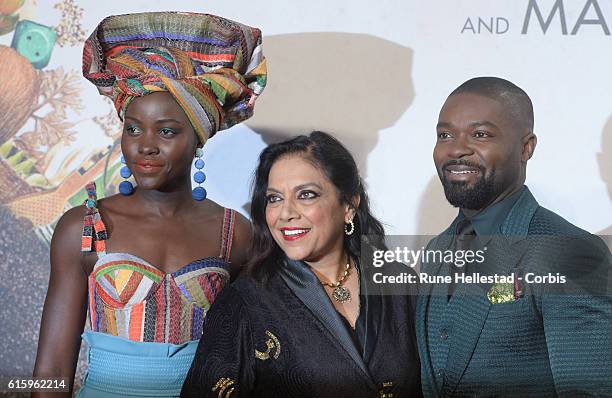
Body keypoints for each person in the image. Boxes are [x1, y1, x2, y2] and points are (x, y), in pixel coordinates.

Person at [32, 12, 266, 397]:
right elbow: (53, 368)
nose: (145, 145)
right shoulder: (84, 227)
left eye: (168, 131)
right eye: (133, 128)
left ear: (198, 139)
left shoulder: (236, 233)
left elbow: (251, 356)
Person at [181, 131, 422, 397]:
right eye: (274, 198)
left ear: (349, 206)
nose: (285, 213)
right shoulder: (246, 301)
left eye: (306, 194)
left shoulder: (400, 284)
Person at [417, 77, 611, 396]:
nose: (456, 149)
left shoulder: (569, 252)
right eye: (445, 135)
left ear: (526, 147)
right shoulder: (435, 252)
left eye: (480, 134)